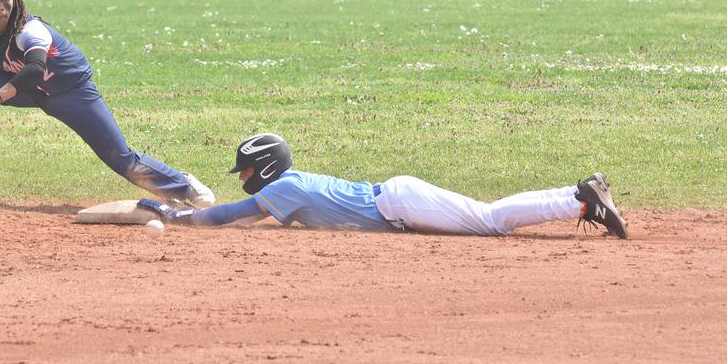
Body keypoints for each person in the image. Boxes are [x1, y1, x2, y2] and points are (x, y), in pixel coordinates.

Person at [0, 0, 216, 208]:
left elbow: (34, 70)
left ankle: (183, 185)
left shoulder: (29, 30)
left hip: (72, 90)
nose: (0, 7)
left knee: (120, 158)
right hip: (29, 90)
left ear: (15, 0)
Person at [136, 132, 629, 240]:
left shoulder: (286, 188)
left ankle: (580, 198)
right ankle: (579, 198)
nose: (242, 179)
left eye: (243, 170)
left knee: (491, 221)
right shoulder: (289, 185)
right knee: (488, 216)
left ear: (263, 167)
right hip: (398, 200)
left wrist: (178, 216)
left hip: (399, 201)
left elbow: (229, 216)